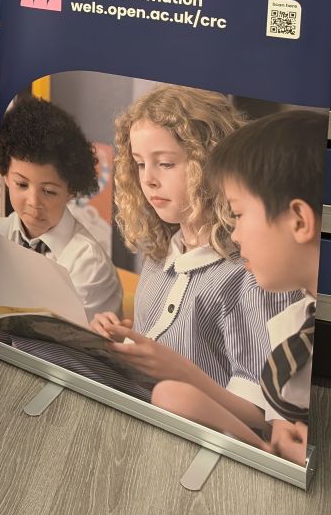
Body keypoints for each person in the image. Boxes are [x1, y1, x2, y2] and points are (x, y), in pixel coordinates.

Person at [89, 85, 295, 414]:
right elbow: (167, 343)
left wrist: (175, 369)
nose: (149, 180)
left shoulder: (255, 272)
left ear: (211, 164)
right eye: (140, 164)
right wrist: (126, 338)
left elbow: (263, 416)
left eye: (166, 164)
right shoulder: (159, 257)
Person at [149, 109, 326, 463]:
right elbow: (279, 432)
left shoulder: (264, 300)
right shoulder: (292, 324)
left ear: (299, 220)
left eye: (240, 214)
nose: (235, 233)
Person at [0, 92, 122, 319]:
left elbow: (65, 343)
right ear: (5, 176)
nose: (34, 202)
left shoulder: (88, 264)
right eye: (22, 184)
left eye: (49, 191)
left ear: (71, 190)